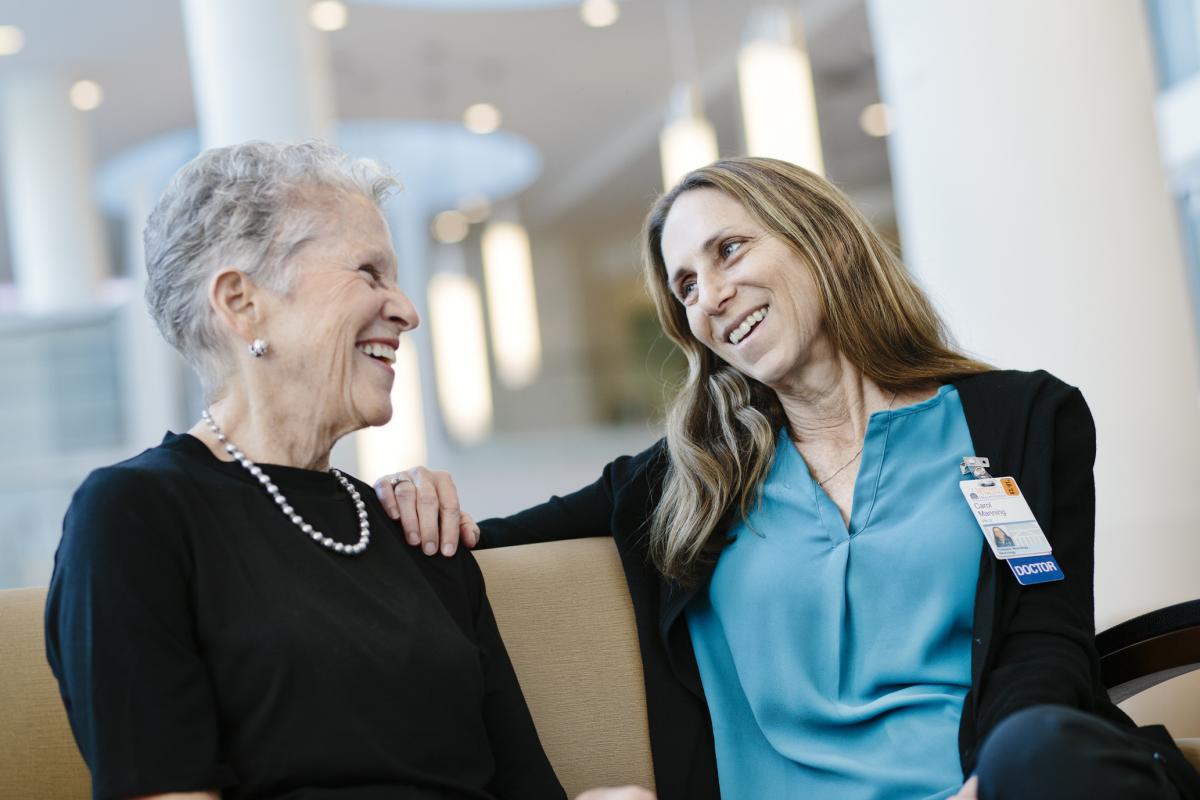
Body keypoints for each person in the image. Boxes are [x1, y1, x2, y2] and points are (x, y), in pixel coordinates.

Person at [377, 158, 1200, 800]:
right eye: (686, 287)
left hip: (1010, 780)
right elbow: (477, 540)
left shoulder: (1017, 417)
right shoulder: (686, 481)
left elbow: (1045, 633)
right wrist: (403, 493)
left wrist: (989, 783)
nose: (711, 296)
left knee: (1048, 752)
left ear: (825, 240)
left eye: (728, 249)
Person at [44, 141, 569, 800]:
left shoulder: (415, 527)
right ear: (242, 302)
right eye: (370, 273)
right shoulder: (134, 515)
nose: (407, 311)